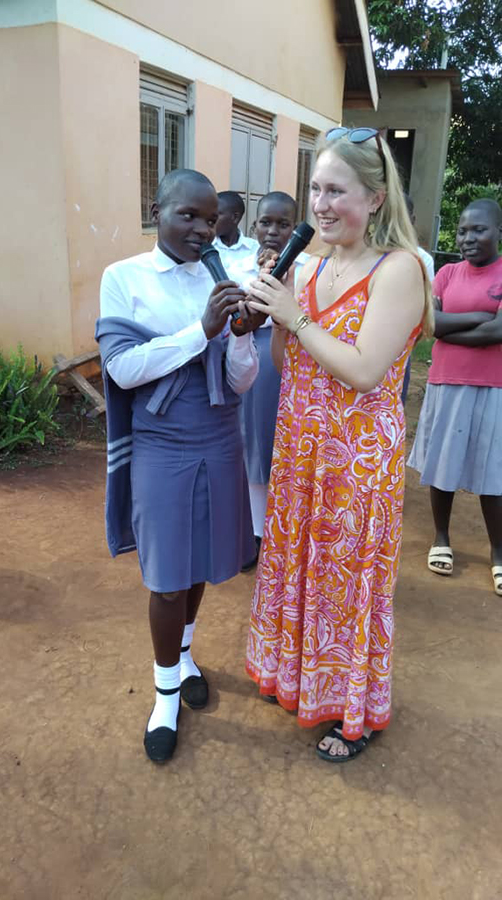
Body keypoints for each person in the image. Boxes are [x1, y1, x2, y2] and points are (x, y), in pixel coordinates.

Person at [245, 127, 432, 762]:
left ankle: (356, 716)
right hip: (301, 449)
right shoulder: (311, 263)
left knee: (346, 583)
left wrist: (294, 315)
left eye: (336, 192)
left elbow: (365, 370)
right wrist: (275, 311)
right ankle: (303, 682)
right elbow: (287, 362)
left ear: (375, 198)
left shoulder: (400, 269)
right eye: (316, 190)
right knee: (299, 566)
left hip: (357, 460)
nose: (320, 206)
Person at [96, 169, 262, 764]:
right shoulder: (124, 278)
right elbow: (122, 370)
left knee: (198, 566)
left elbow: (241, 382)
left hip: (219, 437)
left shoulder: (222, 278)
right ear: (156, 211)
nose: (201, 229)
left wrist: (241, 336)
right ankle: (165, 696)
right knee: (167, 577)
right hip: (162, 444)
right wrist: (203, 329)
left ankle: (185, 656)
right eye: (187, 215)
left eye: (210, 219)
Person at [408, 198, 502, 594]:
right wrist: (480, 318)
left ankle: (498, 552)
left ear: (498, 232)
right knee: (443, 464)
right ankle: (441, 538)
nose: (468, 238)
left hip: (494, 386)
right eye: (462, 231)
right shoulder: (446, 274)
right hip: (446, 382)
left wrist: (451, 329)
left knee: (493, 472)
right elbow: (429, 325)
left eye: (479, 230)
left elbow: (499, 332)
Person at [228, 192, 309, 570]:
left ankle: (288, 531)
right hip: (251, 358)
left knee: (286, 444)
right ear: (254, 225)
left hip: (292, 358)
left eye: (283, 224)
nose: (273, 231)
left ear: (295, 227)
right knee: (255, 444)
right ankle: (257, 531)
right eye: (266, 223)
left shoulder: (309, 269)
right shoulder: (238, 265)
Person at [401, 194, 435, 403]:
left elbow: (426, 309)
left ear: (412, 220)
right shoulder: (366, 254)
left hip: (400, 346)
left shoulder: (422, 259)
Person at [213, 190, 258, 266]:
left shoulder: (255, 250)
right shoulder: (204, 248)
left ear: (235, 218)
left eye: (216, 215)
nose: (211, 219)